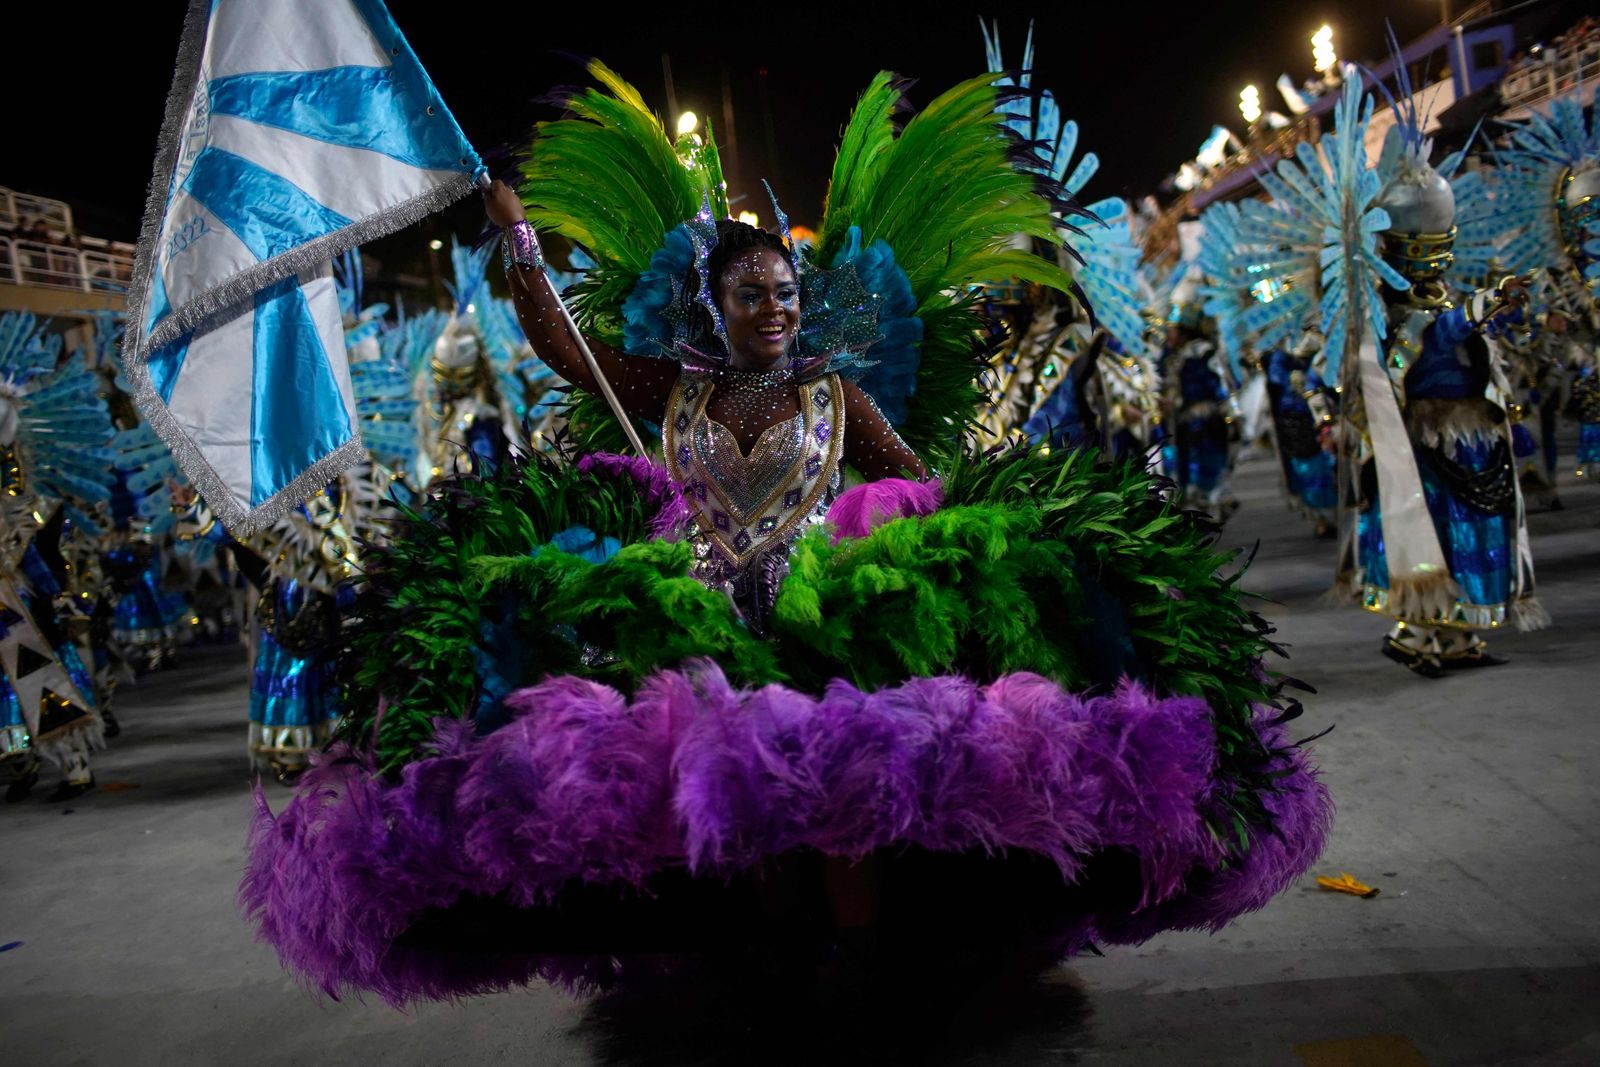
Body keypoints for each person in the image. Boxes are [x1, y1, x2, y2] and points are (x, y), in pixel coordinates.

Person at [242, 62, 1330, 1005]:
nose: (773, 308)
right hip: (700, 623)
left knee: (839, 798)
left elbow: (919, 482)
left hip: (819, 617)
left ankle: (855, 960)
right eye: (751, 293)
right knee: (718, 808)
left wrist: (1016, 527)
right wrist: (517, 237)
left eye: (785, 294)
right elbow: (565, 348)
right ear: (712, 304)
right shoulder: (665, 386)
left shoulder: (834, 395)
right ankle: (744, 959)